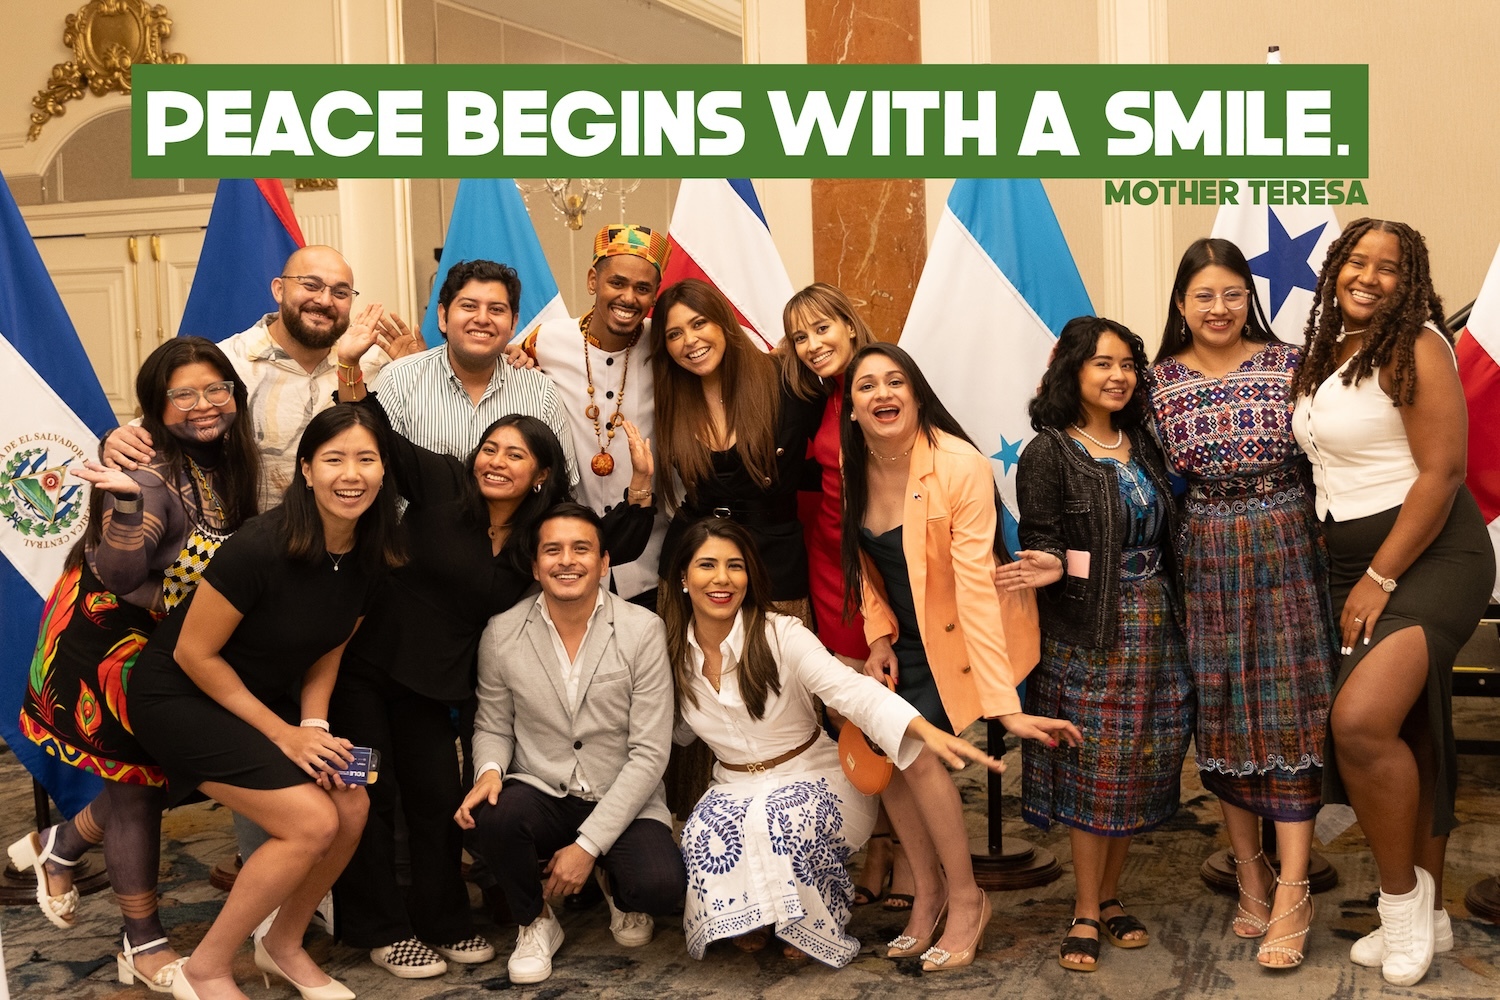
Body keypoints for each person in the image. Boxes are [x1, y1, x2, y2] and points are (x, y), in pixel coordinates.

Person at [326, 320, 656, 977]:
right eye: (490, 448)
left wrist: (641, 488)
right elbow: (378, 438)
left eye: (514, 454)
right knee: (366, 796)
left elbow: (604, 538)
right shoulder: (443, 483)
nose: (495, 461)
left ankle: (443, 920)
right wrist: (348, 371)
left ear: (540, 475)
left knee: (436, 805)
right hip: (363, 671)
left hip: (434, 686)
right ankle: (382, 929)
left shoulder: (542, 539)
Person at [126, 404, 406, 1000]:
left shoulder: (370, 553)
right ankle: (206, 970)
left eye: (366, 458)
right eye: (333, 459)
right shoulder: (260, 547)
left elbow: (328, 652)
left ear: (384, 471)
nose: (350, 474)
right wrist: (285, 735)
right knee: (310, 821)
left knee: (351, 804)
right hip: (177, 695)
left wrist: (313, 725)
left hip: (257, 702)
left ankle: (282, 945)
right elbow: (194, 656)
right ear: (306, 470)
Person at [10, 338, 259, 993]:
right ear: (154, 406)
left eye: (217, 389)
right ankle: (141, 943)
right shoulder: (146, 472)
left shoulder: (227, 458)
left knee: (164, 776)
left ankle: (63, 844)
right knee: (137, 788)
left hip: (170, 642)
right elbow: (122, 572)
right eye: (184, 394)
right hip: (107, 645)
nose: (205, 405)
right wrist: (123, 503)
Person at [1291, 218, 1494, 987]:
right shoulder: (1327, 351)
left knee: (1360, 722)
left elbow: (1442, 473)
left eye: (1389, 267)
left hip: (1433, 556)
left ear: (1410, 281)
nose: (1368, 276)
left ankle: (1400, 904)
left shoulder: (1418, 347)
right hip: (1353, 561)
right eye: (1356, 260)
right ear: (1335, 267)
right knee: (1411, 724)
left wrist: (1379, 578)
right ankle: (1431, 920)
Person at [664, 518, 1008, 968]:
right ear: (683, 579)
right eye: (707, 565)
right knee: (706, 829)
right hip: (732, 785)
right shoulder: (668, 650)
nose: (722, 579)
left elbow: (849, 689)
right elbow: (667, 730)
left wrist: (924, 730)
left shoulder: (779, 633)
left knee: (780, 819)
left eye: (735, 566)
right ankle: (764, 916)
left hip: (814, 777)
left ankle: (810, 922)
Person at [841, 343, 1082, 971]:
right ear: (852, 408)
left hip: (969, 637)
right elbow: (864, 568)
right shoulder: (854, 464)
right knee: (884, 755)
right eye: (867, 386)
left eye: (896, 381)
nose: (883, 394)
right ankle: (929, 896)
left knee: (915, 753)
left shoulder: (959, 465)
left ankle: (969, 900)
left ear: (918, 394)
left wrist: (1003, 707)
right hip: (905, 639)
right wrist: (878, 637)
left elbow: (976, 589)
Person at [1149, 239, 1337, 969]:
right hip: (1207, 556)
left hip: (1289, 547)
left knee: (1291, 710)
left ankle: (1294, 885)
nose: (1219, 308)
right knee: (1223, 707)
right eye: (1203, 296)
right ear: (1181, 304)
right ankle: (1248, 872)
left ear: (1247, 298)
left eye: (1232, 293)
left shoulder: (1291, 364)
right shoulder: (1156, 383)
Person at [1000, 317, 1195, 972]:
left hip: (1158, 627)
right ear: (1073, 373)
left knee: (1136, 769)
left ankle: (1111, 899)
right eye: (1101, 364)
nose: (1117, 376)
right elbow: (1047, 540)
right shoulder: (1049, 452)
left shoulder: (1143, 442)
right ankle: (1085, 911)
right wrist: (1055, 565)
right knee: (1095, 773)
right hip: (1091, 635)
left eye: (1126, 365)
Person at [457, 503, 685, 986]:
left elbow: (649, 754)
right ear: (536, 565)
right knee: (492, 811)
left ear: (604, 563)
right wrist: (491, 771)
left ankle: (613, 884)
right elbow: (493, 724)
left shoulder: (643, 629)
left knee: (661, 887)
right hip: (544, 789)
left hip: (620, 792)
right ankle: (535, 921)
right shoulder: (502, 632)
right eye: (553, 550)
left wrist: (586, 847)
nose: (567, 561)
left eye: (581, 549)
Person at [775, 284, 912, 910]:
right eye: (800, 336)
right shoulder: (814, 395)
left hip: (877, 570)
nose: (813, 345)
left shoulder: (881, 385)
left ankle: (910, 851)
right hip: (826, 570)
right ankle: (880, 840)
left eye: (822, 328)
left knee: (894, 706)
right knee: (851, 713)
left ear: (851, 325)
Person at [101, 245, 422, 509]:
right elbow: (155, 431)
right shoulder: (225, 364)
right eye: (310, 285)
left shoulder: (374, 362)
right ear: (279, 289)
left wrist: (416, 373)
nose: (324, 301)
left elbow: (414, 451)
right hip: (257, 559)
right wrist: (114, 441)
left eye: (340, 292)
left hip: (361, 554)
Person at [517, 224, 671, 608]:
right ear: (592, 280)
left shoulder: (667, 342)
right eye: (617, 283)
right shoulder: (545, 340)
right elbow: (496, 368)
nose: (628, 298)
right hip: (569, 561)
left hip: (650, 558)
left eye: (642, 288)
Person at [652, 278, 822, 610]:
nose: (690, 340)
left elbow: (835, 450)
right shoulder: (668, 398)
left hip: (774, 567)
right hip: (692, 568)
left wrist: (791, 476)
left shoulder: (784, 380)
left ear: (724, 322)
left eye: (699, 323)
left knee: (774, 662)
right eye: (674, 334)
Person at [371, 258, 578, 482]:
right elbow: (377, 476)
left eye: (496, 309)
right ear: (443, 316)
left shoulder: (541, 392)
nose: (482, 319)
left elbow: (562, 483)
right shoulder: (397, 381)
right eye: (469, 306)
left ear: (513, 324)